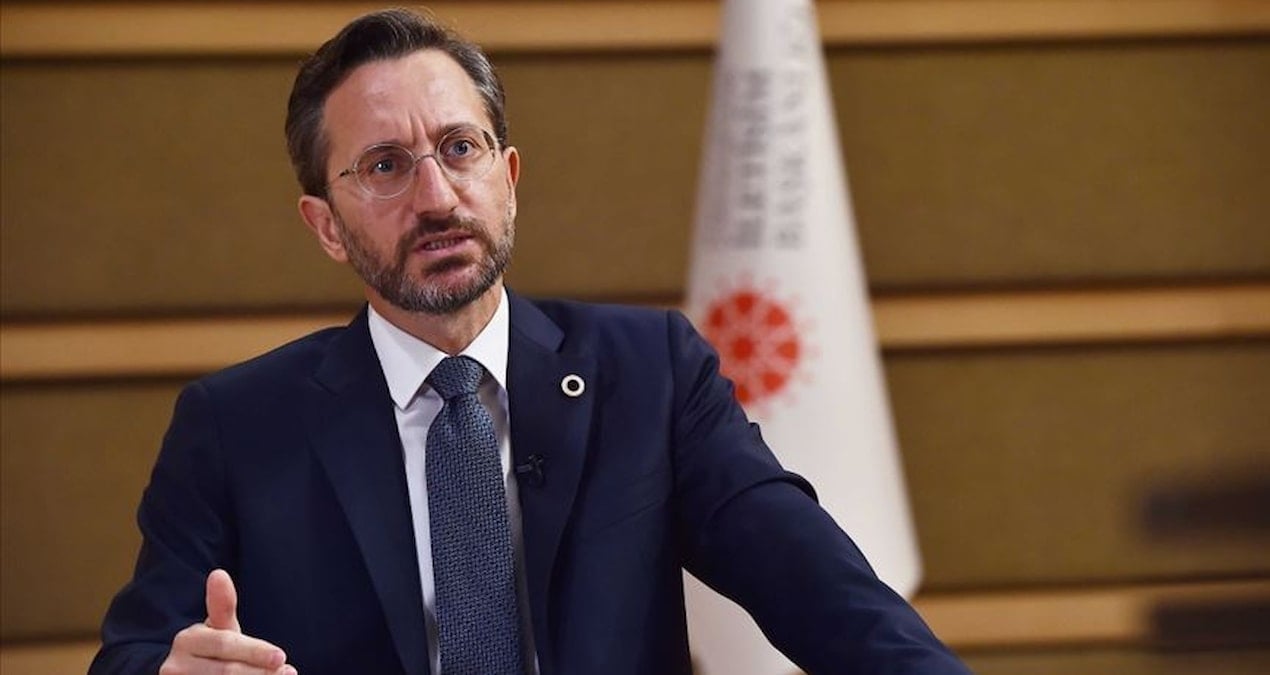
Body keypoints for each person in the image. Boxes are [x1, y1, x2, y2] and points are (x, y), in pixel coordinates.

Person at [90, 8, 970, 675]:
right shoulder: (236, 426)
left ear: (507, 179)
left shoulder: (650, 374)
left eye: (460, 148)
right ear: (325, 225)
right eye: (386, 166)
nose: (438, 197)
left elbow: (828, 597)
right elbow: (135, 651)